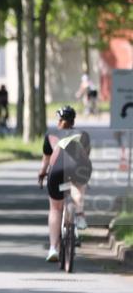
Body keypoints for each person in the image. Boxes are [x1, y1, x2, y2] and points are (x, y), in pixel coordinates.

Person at [38, 106, 92, 262]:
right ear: (73, 121)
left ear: (60, 121)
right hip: (78, 168)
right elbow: (85, 156)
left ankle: (53, 248)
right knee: (78, 185)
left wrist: (41, 173)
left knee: (55, 209)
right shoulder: (83, 135)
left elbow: (46, 160)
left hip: (56, 170)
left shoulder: (50, 135)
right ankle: (79, 214)